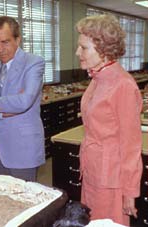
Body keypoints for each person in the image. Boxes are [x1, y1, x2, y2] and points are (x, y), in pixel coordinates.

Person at [75, 14, 143, 226]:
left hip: (111, 180)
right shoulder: (97, 77)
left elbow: (131, 145)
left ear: (103, 50)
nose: (77, 52)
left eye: (83, 48)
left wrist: (130, 192)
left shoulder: (123, 85)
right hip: (92, 172)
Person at [0, 16, 45, 182]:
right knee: (1, 199)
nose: (0, 49)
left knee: (25, 200)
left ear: (17, 40)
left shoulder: (33, 63)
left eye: (5, 42)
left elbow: (24, 102)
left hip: (23, 149)